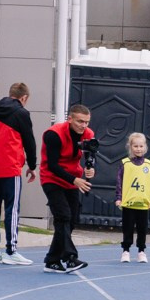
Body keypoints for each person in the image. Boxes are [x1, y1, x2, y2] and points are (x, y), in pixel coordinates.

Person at [0, 82, 35, 265]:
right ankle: (11, 251)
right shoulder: (21, 113)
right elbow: (29, 141)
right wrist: (32, 165)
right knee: (12, 210)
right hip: (11, 168)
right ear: (24, 98)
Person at [39, 102, 96, 272]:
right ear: (70, 119)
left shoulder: (88, 134)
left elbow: (90, 156)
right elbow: (52, 165)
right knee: (63, 216)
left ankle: (52, 261)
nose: (83, 125)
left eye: (86, 122)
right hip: (52, 178)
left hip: (72, 179)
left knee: (71, 220)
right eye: (80, 121)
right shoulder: (53, 134)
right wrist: (74, 180)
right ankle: (70, 258)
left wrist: (90, 168)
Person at [118, 131, 150, 262]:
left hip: (143, 205)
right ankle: (126, 251)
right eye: (135, 146)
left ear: (145, 147)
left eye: (141, 146)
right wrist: (118, 198)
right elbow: (119, 182)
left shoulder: (148, 165)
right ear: (130, 147)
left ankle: (141, 251)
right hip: (128, 203)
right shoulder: (125, 164)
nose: (138, 149)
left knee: (142, 229)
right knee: (127, 228)